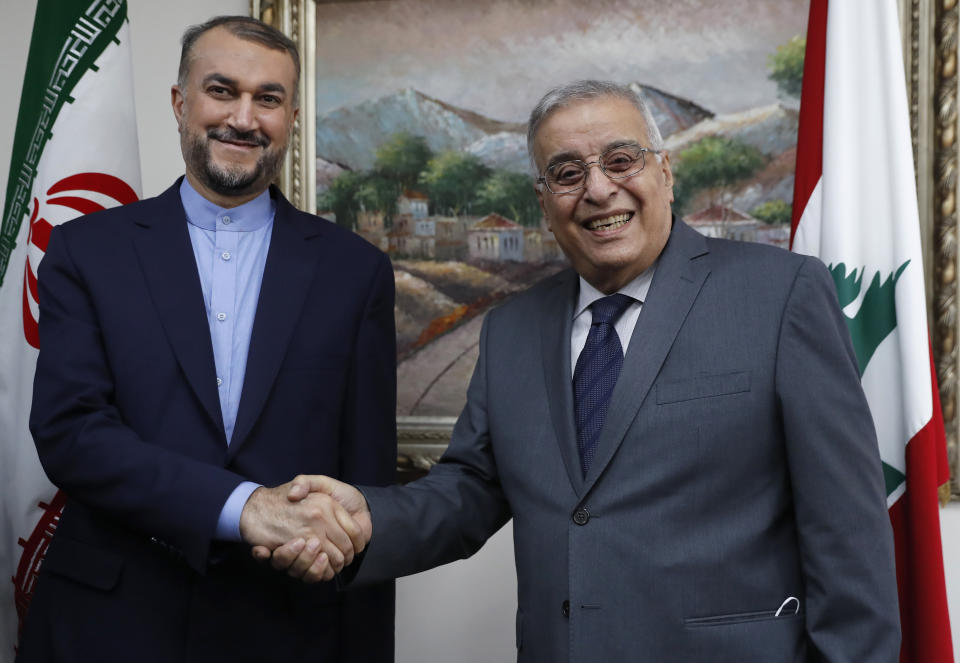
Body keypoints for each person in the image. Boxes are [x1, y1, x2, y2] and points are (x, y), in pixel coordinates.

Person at [268, 80, 901, 662]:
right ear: (543, 204)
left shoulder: (779, 294)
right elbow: (468, 492)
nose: (598, 189)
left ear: (665, 171)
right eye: (567, 173)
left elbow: (848, 536)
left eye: (621, 160)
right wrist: (361, 523)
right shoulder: (511, 329)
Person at [20, 16, 395, 662]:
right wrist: (244, 507)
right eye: (222, 90)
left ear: (292, 116)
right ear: (179, 102)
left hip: (287, 631)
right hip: (107, 627)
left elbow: (366, 485)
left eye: (268, 99)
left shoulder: (355, 272)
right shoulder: (87, 252)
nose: (243, 118)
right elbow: (71, 433)